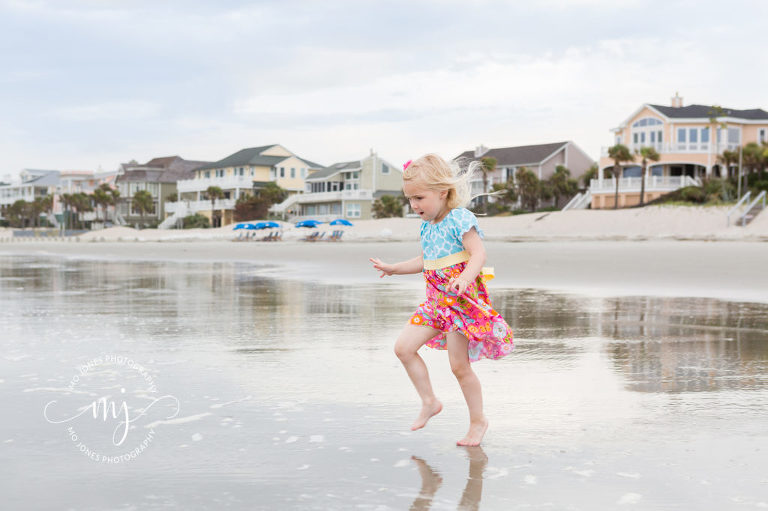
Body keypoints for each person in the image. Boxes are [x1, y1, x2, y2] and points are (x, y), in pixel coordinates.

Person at [369, 154, 514, 447]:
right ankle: (429, 401)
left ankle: (478, 421)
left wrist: (465, 279)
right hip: (435, 304)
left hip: (460, 304)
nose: (414, 205)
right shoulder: (427, 226)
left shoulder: (459, 219)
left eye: (419, 198)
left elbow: (479, 254)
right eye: (410, 199)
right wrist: (395, 268)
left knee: (459, 367)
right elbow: (426, 260)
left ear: (442, 192)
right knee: (403, 348)